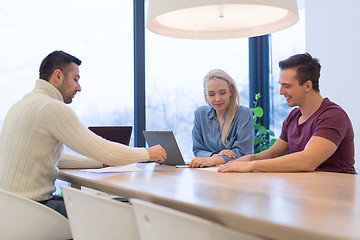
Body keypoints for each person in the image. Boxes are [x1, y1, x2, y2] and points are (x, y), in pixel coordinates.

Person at [0, 50, 166, 217]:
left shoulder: (20, 106)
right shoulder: (50, 107)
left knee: (103, 204)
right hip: (32, 211)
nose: (79, 88)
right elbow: (103, 149)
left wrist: (100, 163)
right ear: (58, 76)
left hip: (11, 211)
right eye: (76, 79)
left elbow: (52, 157)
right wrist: (148, 153)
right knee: (125, 209)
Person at [218, 53, 355, 174]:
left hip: (334, 196)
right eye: (281, 85)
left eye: (287, 86)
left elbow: (307, 161)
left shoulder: (333, 116)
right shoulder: (294, 116)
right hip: (304, 192)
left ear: (308, 85)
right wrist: (249, 159)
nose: (281, 92)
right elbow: (273, 153)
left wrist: (251, 165)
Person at [189, 69, 254, 168]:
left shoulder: (243, 114)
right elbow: (198, 149)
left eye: (222, 93)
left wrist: (214, 160)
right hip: (208, 173)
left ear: (231, 91)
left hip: (235, 175)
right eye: (211, 94)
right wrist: (214, 157)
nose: (217, 99)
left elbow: (243, 152)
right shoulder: (200, 114)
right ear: (206, 94)